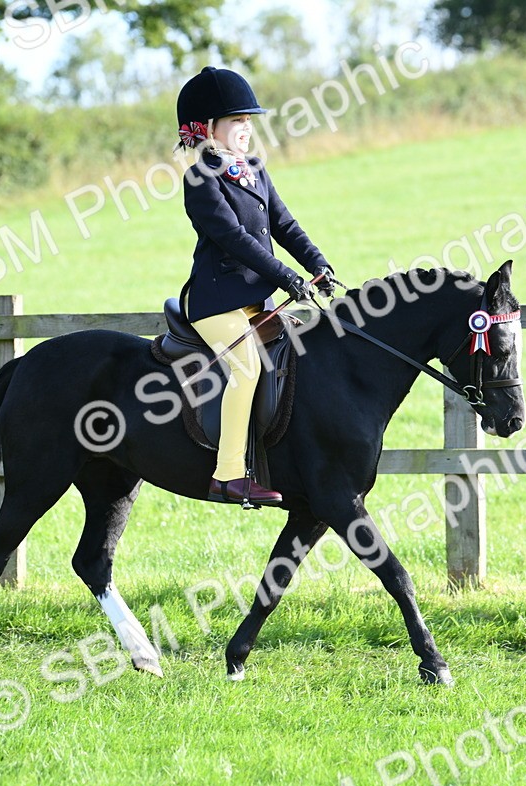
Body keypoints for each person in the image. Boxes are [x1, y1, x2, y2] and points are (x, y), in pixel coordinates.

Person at [174, 66, 335, 507]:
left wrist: (316, 263)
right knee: (246, 368)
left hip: (255, 300)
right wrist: (287, 277)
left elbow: (284, 224)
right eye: (236, 121)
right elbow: (234, 238)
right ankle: (228, 475)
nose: (246, 129)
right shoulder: (199, 179)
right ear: (208, 128)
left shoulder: (256, 169)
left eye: (249, 121)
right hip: (215, 303)